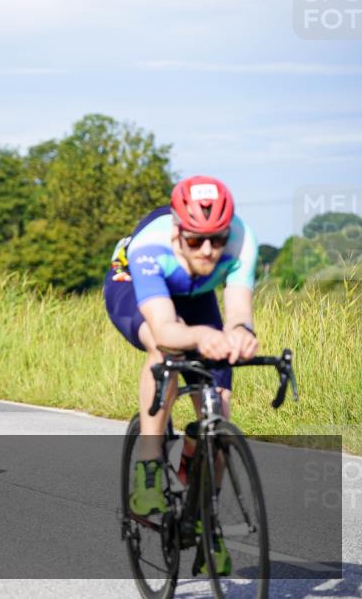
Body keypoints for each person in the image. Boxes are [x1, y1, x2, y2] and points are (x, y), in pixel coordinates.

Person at [104, 175, 258, 575]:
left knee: (218, 412)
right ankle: (149, 465)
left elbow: (238, 313)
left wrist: (241, 335)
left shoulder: (242, 240)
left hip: (196, 296)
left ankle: (206, 517)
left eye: (217, 240)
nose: (208, 251)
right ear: (177, 232)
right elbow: (166, 329)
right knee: (164, 349)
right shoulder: (150, 247)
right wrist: (203, 337)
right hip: (134, 288)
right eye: (195, 240)